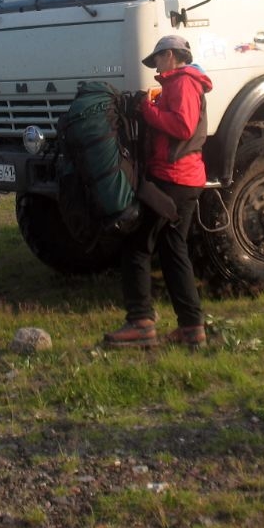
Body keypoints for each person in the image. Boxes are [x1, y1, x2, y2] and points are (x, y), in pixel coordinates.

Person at [104, 34, 213, 349]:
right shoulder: (181, 83)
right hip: (184, 178)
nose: (156, 66)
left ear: (170, 55)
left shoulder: (183, 82)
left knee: (137, 245)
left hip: (173, 179)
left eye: (158, 59)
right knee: (173, 251)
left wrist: (147, 111)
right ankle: (192, 329)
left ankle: (140, 324)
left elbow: (182, 127)